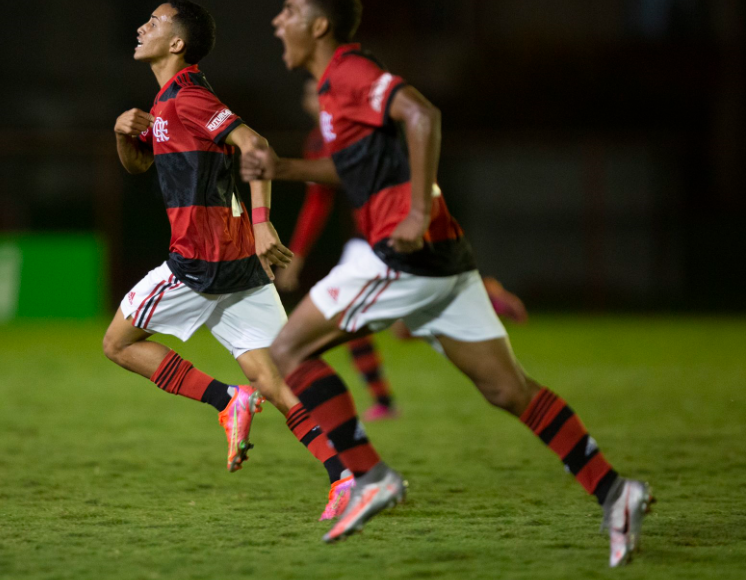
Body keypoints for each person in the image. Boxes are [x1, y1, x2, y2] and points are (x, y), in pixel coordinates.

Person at [241, 0, 653, 566]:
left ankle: (371, 476)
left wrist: (412, 212)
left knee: (285, 351)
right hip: (443, 258)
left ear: (319, 26)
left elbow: (423, 115)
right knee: (508, 391)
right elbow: (354, 169)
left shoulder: (350, 72)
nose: (275, 20)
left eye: (288, 9)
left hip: (401, 253)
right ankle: (614, 491)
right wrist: (283, 168)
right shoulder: (336, 90)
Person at [102, 0, 353, 521]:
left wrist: (263, 222)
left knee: (118, 343)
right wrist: (126, 133)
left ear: (176, 44)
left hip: (201, 261)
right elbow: (138, 163)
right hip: (237, 266)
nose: (141, 25)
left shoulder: (188, 98)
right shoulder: (168, 104)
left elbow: (254, 143)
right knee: (275, 381)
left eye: (155, 21)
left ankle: (225, 400)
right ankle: (345, 476)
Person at [276, 78, 529, 422]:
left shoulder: (356, 129)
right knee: (395, 327)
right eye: (308, 94)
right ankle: (484, 295)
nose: (312, 100)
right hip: (371, 240)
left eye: (317, 93)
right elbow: (317, 204)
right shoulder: (319, 140)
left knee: (343, 320)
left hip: (389, 237)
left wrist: (417, 215)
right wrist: (298, 255)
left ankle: (380, 409)